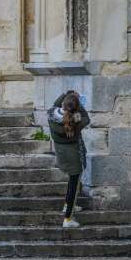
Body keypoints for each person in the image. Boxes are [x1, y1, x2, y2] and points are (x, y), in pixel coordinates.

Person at [47, 90, 90, 228]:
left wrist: (66, 95)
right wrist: (77, 103)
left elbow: (54, 104)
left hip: (61, 152)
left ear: (63, 105)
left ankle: (67, 206)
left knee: (72, 182)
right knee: (74, 185)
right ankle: (68, 219)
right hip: (73, 154)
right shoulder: (76, 121)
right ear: (76, 108)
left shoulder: (52, 116)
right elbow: (86, 117)